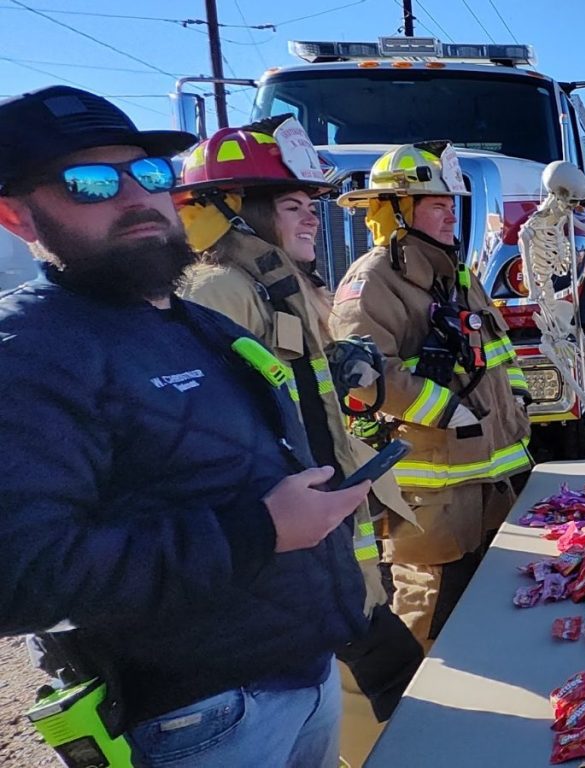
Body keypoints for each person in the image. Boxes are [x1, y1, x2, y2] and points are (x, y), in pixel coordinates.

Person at [0, 86, 374, 768]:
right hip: (198, 718)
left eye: (149, 174)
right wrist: (260, 529)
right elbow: (20, 578)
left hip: (304, 676)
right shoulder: (27, 352)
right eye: (88, 183)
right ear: (16, 216)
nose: (134, 197)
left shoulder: (194, 325)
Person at [171, 118, 423, 764]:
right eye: (292, 206)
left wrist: (343, 372)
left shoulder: (279, 285)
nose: (311, 218)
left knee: (381, 682)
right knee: (391, 679)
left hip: (324, 548)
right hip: (290, 563)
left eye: (311, 205)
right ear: (234, 213)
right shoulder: (217, 292)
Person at [329, 142, 532, 650]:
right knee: (427, 611)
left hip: (489, 475)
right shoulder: (372, 280)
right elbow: (368, 375)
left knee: (490, 600)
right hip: (430, 490)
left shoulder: (456, 277)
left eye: (450, 205)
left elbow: (499, 349)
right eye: (436, 205)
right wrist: (451, 412)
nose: (449, 216)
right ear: (397, 209)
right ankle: (407, 723)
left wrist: (519, 403)